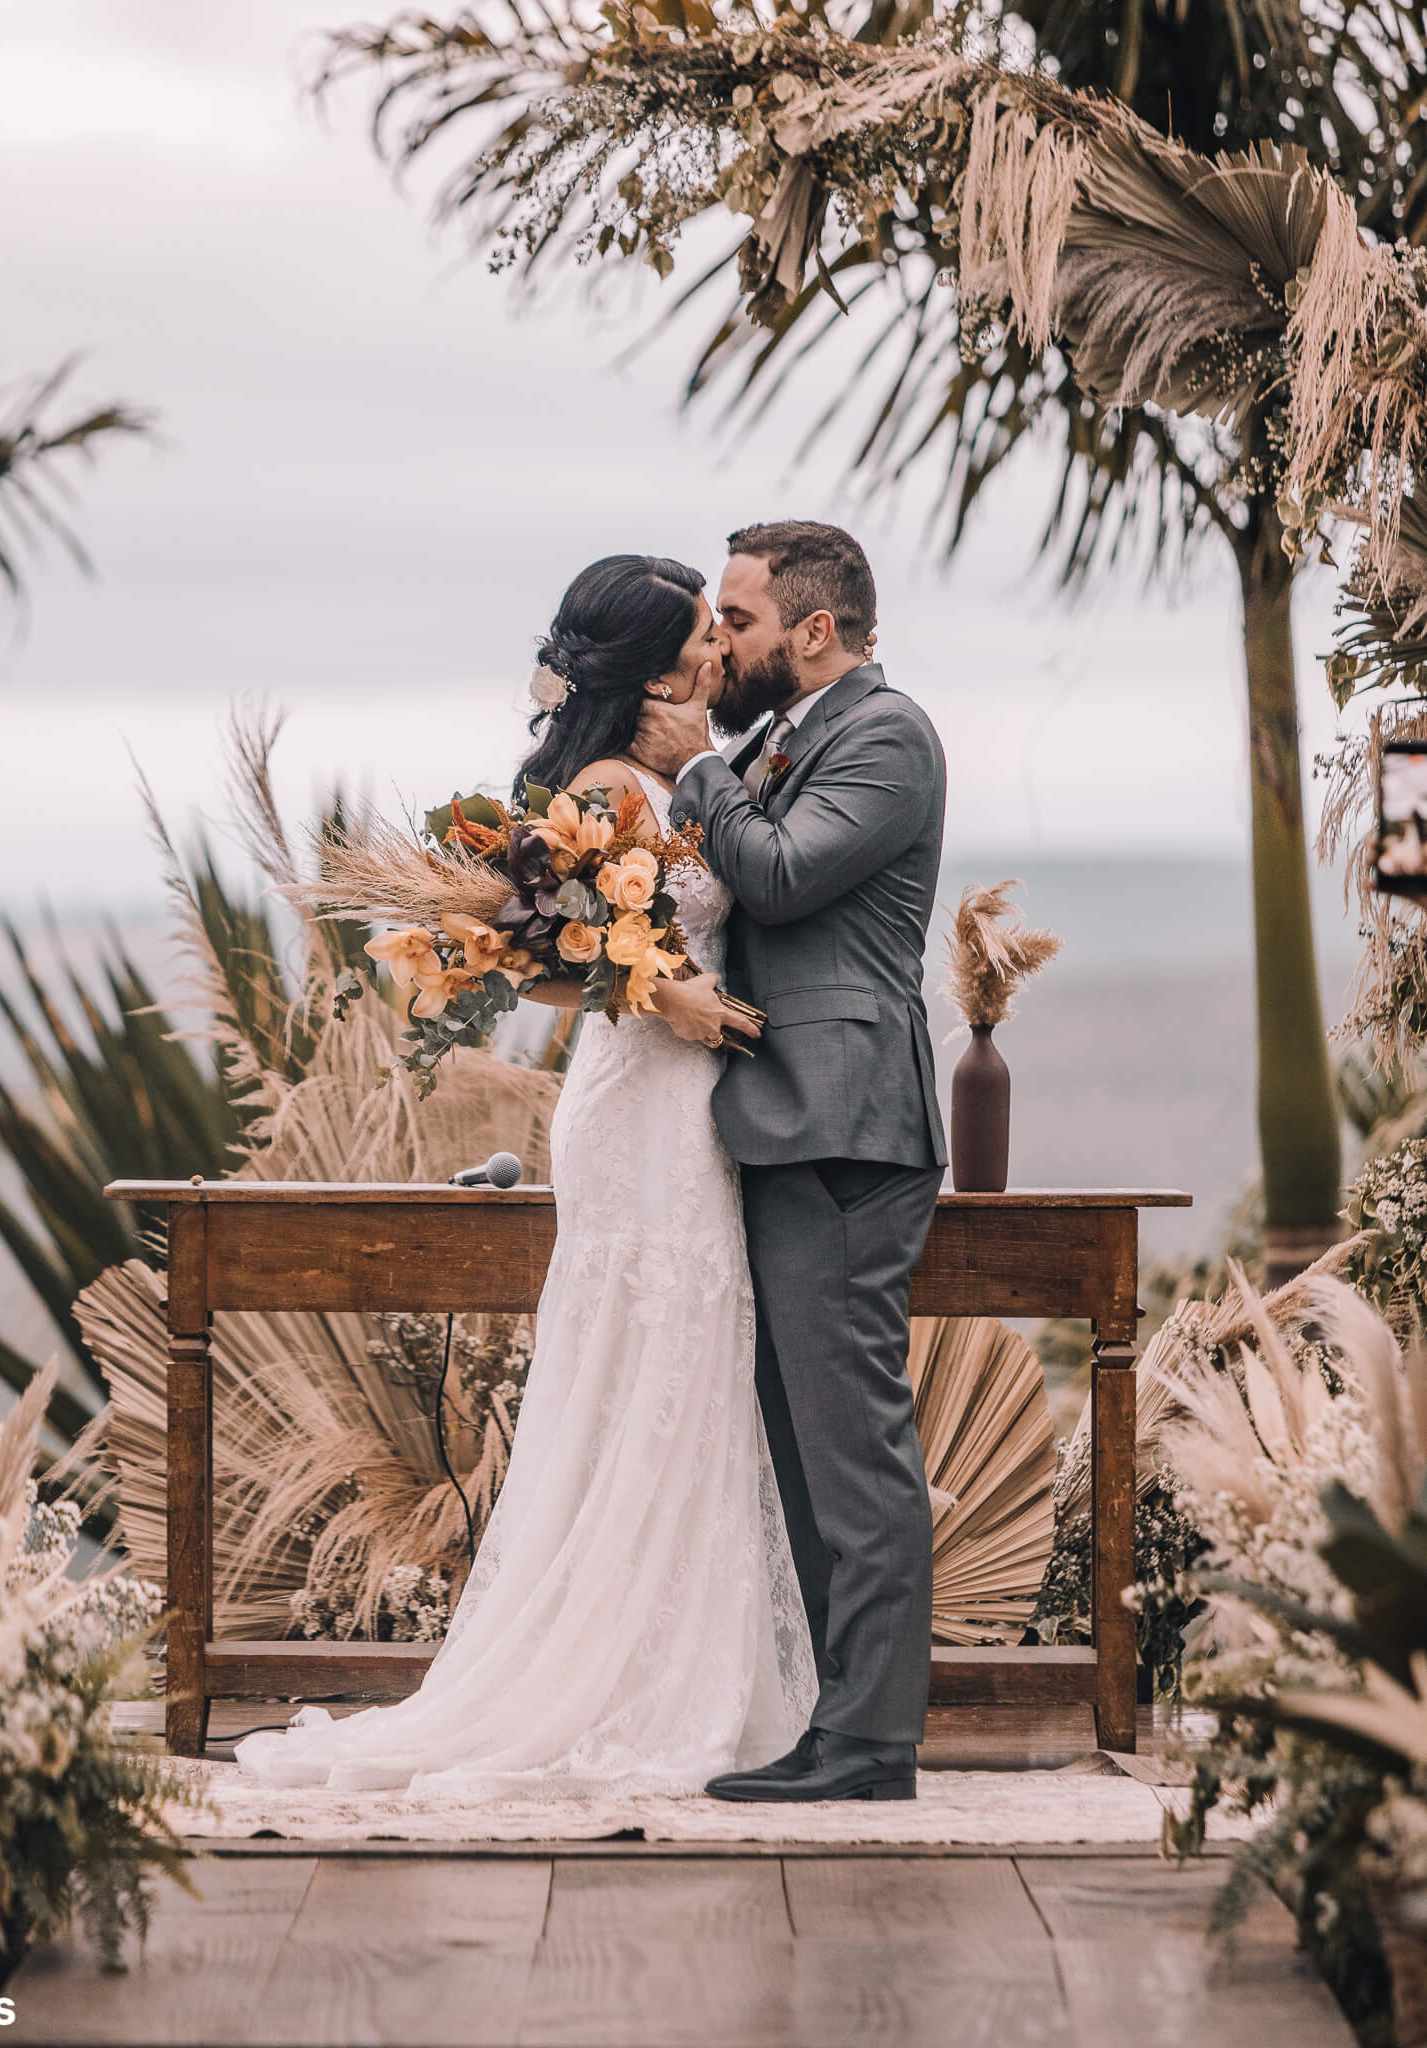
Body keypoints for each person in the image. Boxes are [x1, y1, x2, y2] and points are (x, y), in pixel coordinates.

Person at [233, 553, 820, 1799]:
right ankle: (625, 1677)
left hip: (662, 1100)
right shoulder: (615, 785)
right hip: (650, 1110)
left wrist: (653, 980)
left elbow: (549, 956)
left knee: (661, 1367)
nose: (724, 649)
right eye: (705, 639)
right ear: (659, 670)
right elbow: (577, 956)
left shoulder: (643, 777)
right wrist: (673, 994)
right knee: (658, 1359)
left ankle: (657, 1655)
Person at [634, 520, 947, 1803]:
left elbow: (777, 877)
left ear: (816, 632)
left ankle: (873, 1742)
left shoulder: (888, 737)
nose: (725, 641)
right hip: (778, 1122)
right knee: (802, 1440)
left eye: (741, 620)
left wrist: (695, 771)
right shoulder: (783, 740)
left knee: (852, 1442)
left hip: (845, 1124)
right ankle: (835, 1720)